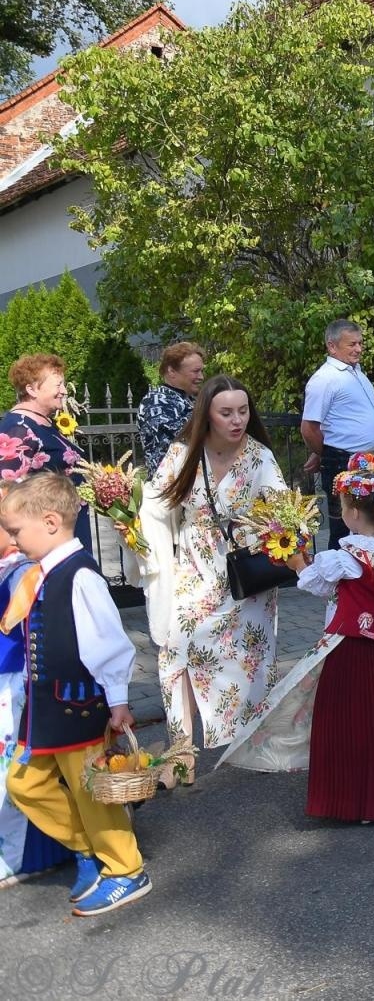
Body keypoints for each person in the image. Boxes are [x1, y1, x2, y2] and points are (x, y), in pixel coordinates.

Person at [223, 456, 374, 822]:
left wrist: (297, 563)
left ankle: (358, 801)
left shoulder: (346, 556)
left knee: (350, 721)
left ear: (351, 513)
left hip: (351, 647)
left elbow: (317, 584)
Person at [0, 472, 146, 915]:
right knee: (24, 782)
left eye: (14, 531)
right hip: (46, 710)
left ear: (48, 522)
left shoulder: (80, 576)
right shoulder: (44, 573)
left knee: (91, 792)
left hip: (79, 705)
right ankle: (85, 847)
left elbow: (108, 643)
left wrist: (118, 701)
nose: (11, 539)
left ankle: (126, 870)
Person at [141, 376, 285, 750]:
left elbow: (283, 509)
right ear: (207, 415)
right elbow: (155, 504)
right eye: (226, 413)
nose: (237, 420)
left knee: (247, 656)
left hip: (245, 572)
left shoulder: (259, 456)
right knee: (175, 649)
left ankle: (248, 739)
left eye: (243, 411)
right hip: (195, 568)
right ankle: (181, 750)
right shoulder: (184, 451)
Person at [0, 498, 72, 885]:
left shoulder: (23, 571)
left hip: (14, 684)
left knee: (13, 769)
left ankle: (25, 855)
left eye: (11, 530)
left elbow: (31, 623)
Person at [300, 320, 374, 551]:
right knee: (344, 528)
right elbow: (309, 427)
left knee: (370, 524)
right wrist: (326, 454)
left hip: (368, 461)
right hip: (344, 461)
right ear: (332, 346)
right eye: (352, 344)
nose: (358, 349)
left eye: (360, 343)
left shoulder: (355, 372)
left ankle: (367, 578)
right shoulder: (325, 379)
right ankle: (340, 583)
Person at [0, 354, 90, 548]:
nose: (64, 391)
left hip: (65, 527)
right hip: (46, 537)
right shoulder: (19, 429)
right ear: (31, 389)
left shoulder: (45, 422)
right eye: (58, 385)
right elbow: (7, 492)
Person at [136, 341, 204, 475]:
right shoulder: (156, 402)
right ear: (171, 370)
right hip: (170, 487)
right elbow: (188, 441)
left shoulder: (189, 399)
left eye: (202, 371)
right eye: (196, 371)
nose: (201, 377)